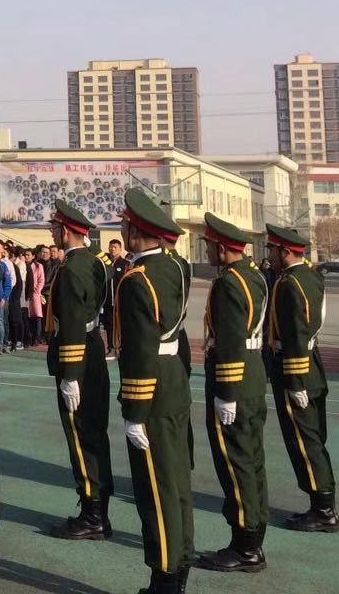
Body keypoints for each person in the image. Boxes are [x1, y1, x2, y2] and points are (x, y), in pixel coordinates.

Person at [114, 188, 193, 594]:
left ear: (134, 231)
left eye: (125, 225)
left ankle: (165, 578)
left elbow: (141, 349)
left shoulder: (137, 280)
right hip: (175, 379)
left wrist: (135, 411)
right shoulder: (176, 268)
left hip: (153, 386)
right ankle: (180, 565)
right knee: (176, 481)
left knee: (155, 488)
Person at [196, 213, 270, 573]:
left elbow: (229, 339)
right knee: (252, 460)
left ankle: (245, 546)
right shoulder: (253, 276)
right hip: (253, 374)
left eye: (209, 245)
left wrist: (225, 391)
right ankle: (254, 536)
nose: (207, 250)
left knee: (235, 463)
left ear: (223, 249)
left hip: (234, 378)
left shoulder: (228, 283)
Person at [44, 200, 115, 540]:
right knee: (94, 432)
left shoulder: (72, 268)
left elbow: (71, 321)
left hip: (78, 353)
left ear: (67, 231)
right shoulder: (95, 261)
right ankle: (98, 508)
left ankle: (93, 514)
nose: (52, 232)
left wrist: (70, 374)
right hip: (92, 347)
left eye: (55, 228)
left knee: (81, 433)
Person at [265, 223, 339, 533]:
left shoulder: (290, 284)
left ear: (285, 251)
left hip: (295, 367)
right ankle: (321, 505)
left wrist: (294, 382)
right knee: (313, 438)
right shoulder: (310, 276)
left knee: (304, 440)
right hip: (312, 364)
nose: (269, 254)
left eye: (271, 249)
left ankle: (323, 510)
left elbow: (296, 333)